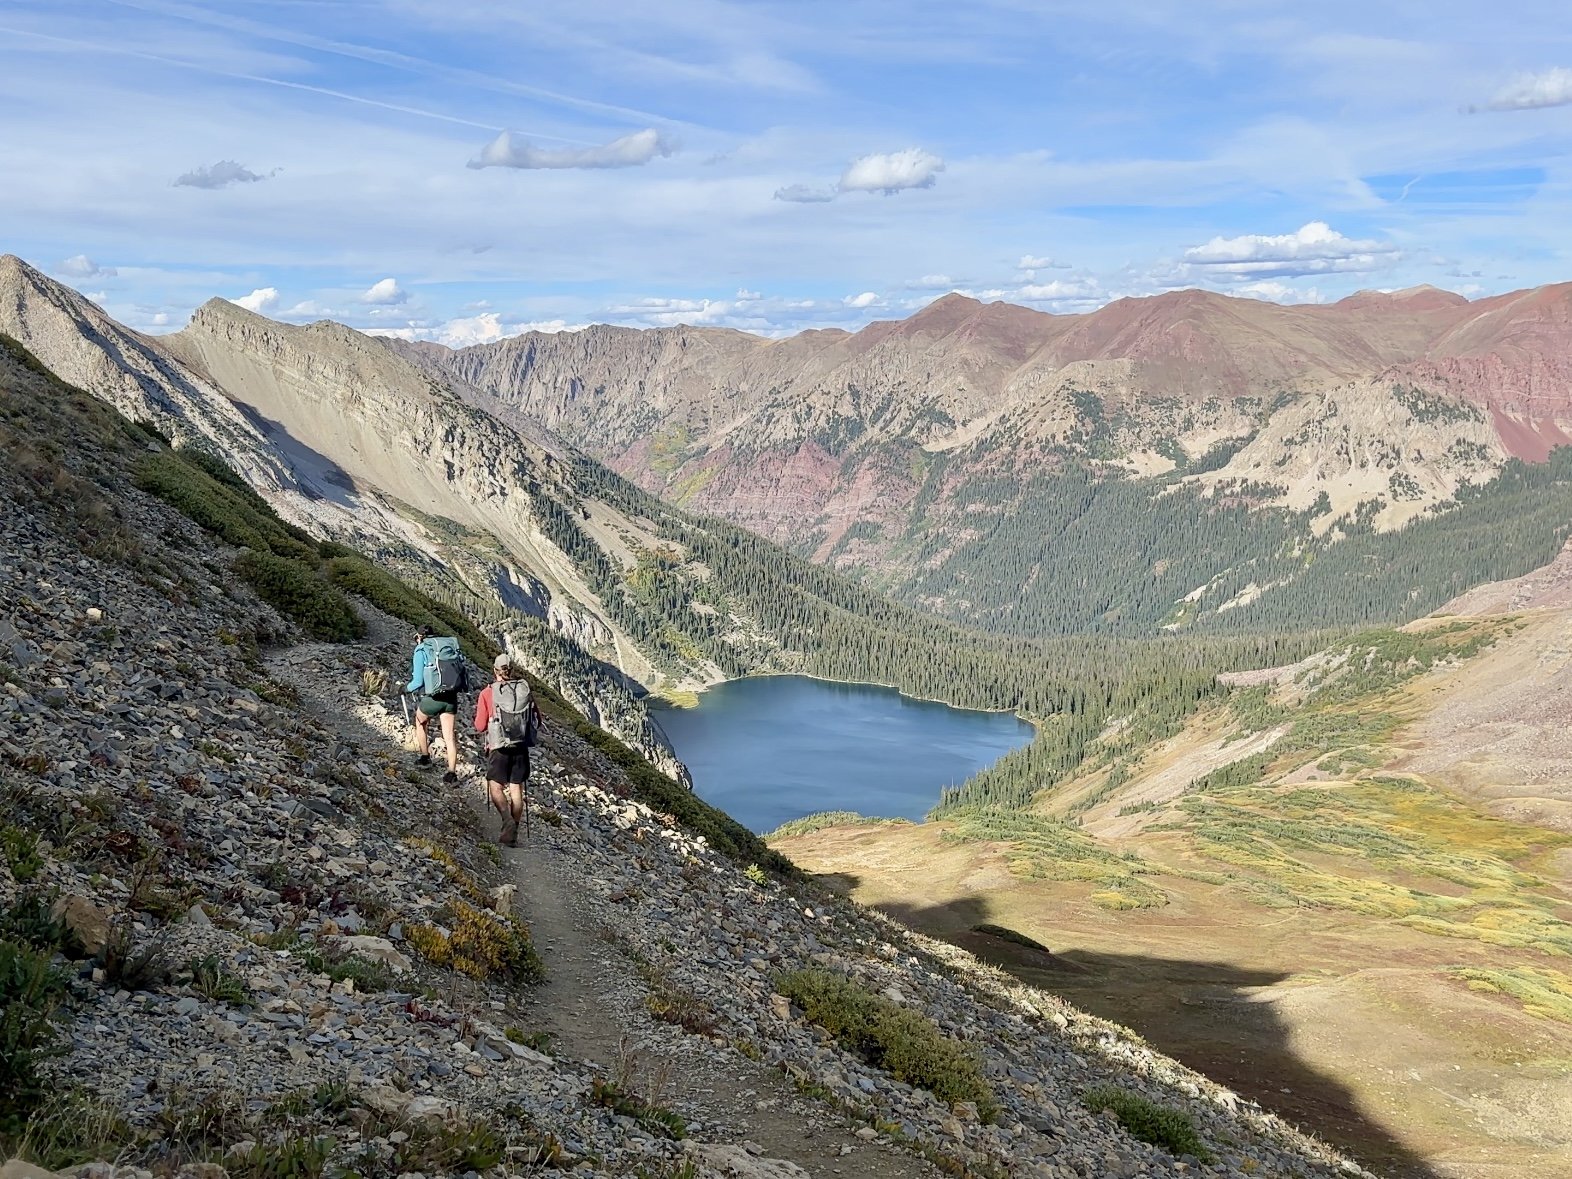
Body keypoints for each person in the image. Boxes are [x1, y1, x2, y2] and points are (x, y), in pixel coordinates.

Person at [474, 652, 535, 846]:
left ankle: (506, 819)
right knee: (516, 789)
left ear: (495, 671)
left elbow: (479, 725)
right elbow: (537, 720)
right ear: (513, 670)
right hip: (520, 747)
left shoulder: (488, 692)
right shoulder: (524, 690)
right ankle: (513, 831)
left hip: (499, 747)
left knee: (495, 786)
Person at [406, 626, 460, 784]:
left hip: (433, 698)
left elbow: (417, 682)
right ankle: (451, 773)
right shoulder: (447, 646)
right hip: (451, 697)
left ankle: (425, 757)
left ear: (420, 636)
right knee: (449, 737)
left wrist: (405, 688)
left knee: (420, 721)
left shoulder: (421, 650)